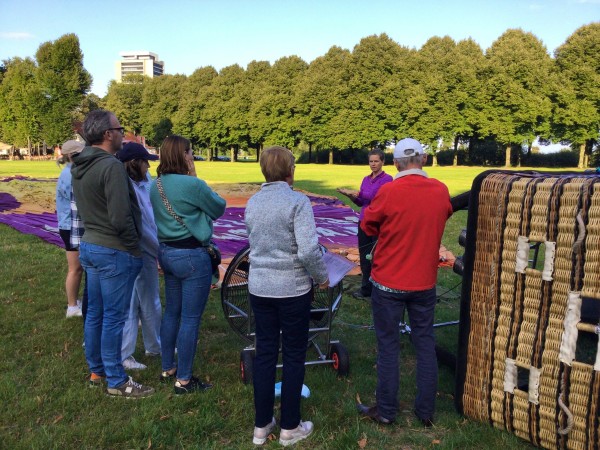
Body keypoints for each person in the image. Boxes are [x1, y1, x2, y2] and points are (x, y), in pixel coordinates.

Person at [357, 138, 452, 426]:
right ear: (423, 159)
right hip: (424, 281)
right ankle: (425, 411)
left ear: (396, 163)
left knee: (388, 346)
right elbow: (445, 213)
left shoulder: (389, 190)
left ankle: (386, 410)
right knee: (424, 343)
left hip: (388, 282)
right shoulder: (440, 189)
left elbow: (368, 224)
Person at [245, 146, 329, 447]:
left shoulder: (253, 202)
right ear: (290, 171)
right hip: (292, 288)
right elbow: (308, 250)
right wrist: (322, 277)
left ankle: (262, 424)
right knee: (294, 355)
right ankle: (290, 426)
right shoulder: (297, 201)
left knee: (266, 354)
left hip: (259, 287)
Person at [71, 109, 153, 398]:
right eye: (120, 128)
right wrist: (133, 249)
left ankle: (97, 370)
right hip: (113, 250)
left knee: (96, 313)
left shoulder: (79, 164)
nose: (122, 133)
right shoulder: (111, 166)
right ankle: (116, 380)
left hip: (91, 246)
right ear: (108, 134)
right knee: (113, 318)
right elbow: (121, 218)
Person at [149, 135, 225, 395]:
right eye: (190, 152)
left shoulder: (155, 184)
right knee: (190, 319)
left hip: (167, 253)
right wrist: (194, 178)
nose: (192, 155)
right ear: (183, 155)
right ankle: (183, 380)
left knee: (172, 312)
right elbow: (218, 207)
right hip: (192, 256)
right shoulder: (192, 184)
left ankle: (167, 367)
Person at [116, 142, 162, 370]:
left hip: (146, 251)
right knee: (131, 304)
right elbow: (142, 226)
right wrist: (160, 253)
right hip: (133, 251)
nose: (148, 167)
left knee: (151, 299)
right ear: (134, 163)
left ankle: (155, 346)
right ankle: (124, 354)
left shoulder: (146, 183)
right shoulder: (126, 188)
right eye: (145, 162)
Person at [337, 149, 392, 300]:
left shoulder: (387, 179)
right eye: (371, 161)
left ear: (382, 162)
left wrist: (356, 192)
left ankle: (380, 289)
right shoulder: (365, 179)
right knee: (364, 255)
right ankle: (366, 288)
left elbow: (376, 196)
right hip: (364, 220)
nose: (373, 164)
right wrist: (351, 196)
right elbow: (362, 202)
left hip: (378, 222)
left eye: (376, 161)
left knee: (377, 256)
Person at [56, 140, 85, 318]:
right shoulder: (69, 175)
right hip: (70, 225)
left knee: (78, 267)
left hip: (71, 224)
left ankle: (74, 304)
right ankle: (72, 306)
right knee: (75, 268)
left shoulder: (71, 172)